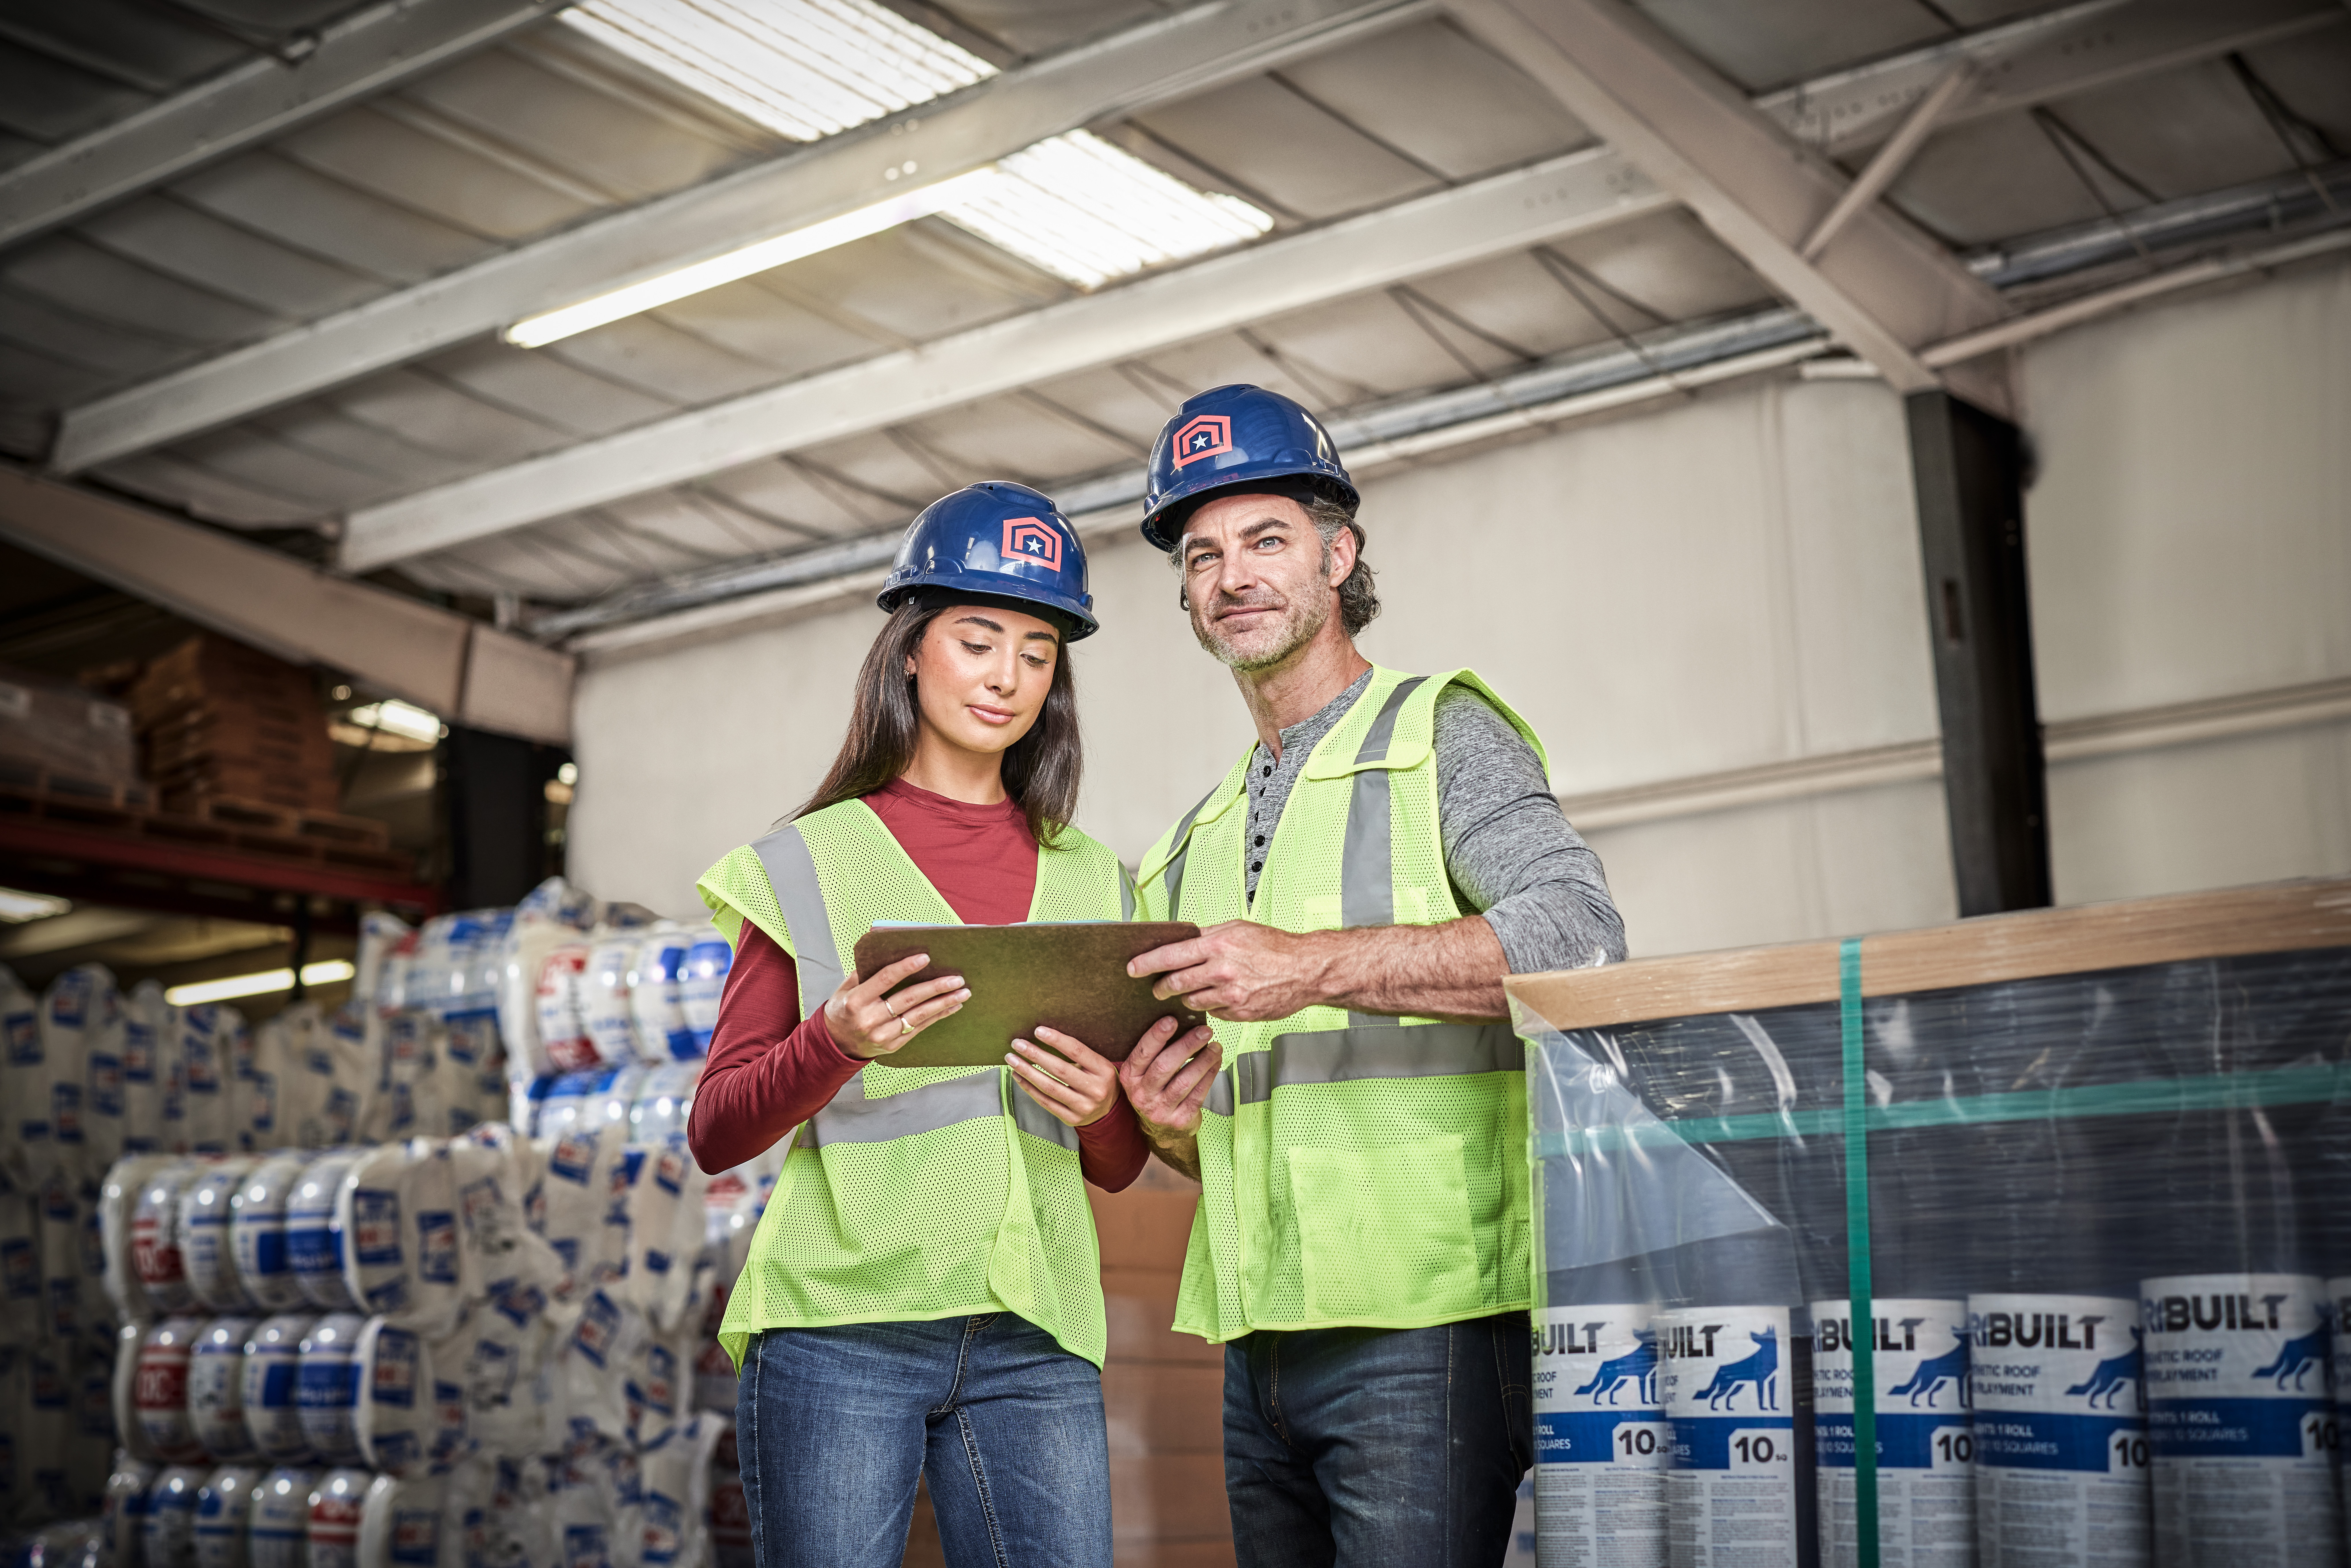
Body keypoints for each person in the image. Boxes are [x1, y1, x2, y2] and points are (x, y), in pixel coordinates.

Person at [1114, 385, 1629, 1567]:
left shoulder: (1436, 731)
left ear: (1337, 555)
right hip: (1259, 1340)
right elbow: (1222, 1129)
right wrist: (1171, 1126)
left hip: (1428, 1321)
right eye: (1202, 556)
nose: (1233, 575)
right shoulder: (1186, 845)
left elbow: (1579, 938)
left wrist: (1312, 968)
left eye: (1265, 541)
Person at [689, 482, 1219, 1568]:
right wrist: (835, 1040)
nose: (1007, 677)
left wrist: (1108, 1113)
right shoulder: (808, 863)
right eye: (978, 641)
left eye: (1037, 651)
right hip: (842, 1328)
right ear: (911, 652)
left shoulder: (1097, 883)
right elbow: (715, 1132)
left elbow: (1109, 1168)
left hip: (1035, 1329)